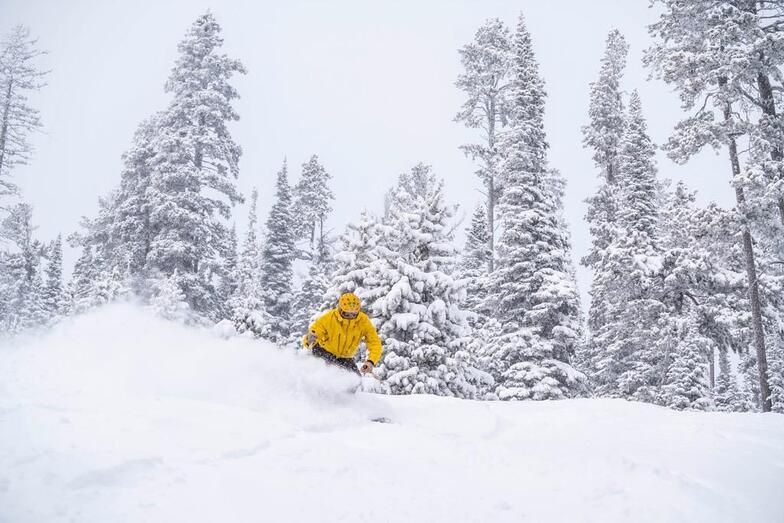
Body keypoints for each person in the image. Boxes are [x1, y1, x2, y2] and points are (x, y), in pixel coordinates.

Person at [302, 292, 382, 376]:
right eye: (346, 313)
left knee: (356, 379)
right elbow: (315, 331)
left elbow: (375, 343)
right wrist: (309, 340)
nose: (350, 317)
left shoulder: (363, 321)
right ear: (340, 309)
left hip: (345, 358)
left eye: (354, 314)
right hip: (324, 351)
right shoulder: (329, 318)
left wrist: (371, 361)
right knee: (330, 372)